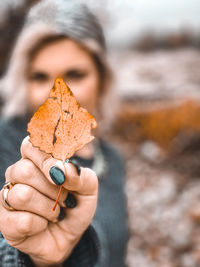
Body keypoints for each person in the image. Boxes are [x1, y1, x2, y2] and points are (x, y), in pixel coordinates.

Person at [0, 1, 129, 267]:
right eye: (39, 76)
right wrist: (28, 256)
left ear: (102, 80)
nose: (57, 93)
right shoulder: (5, 145)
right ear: (22, 83)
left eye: (75, 74)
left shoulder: (112, 160)